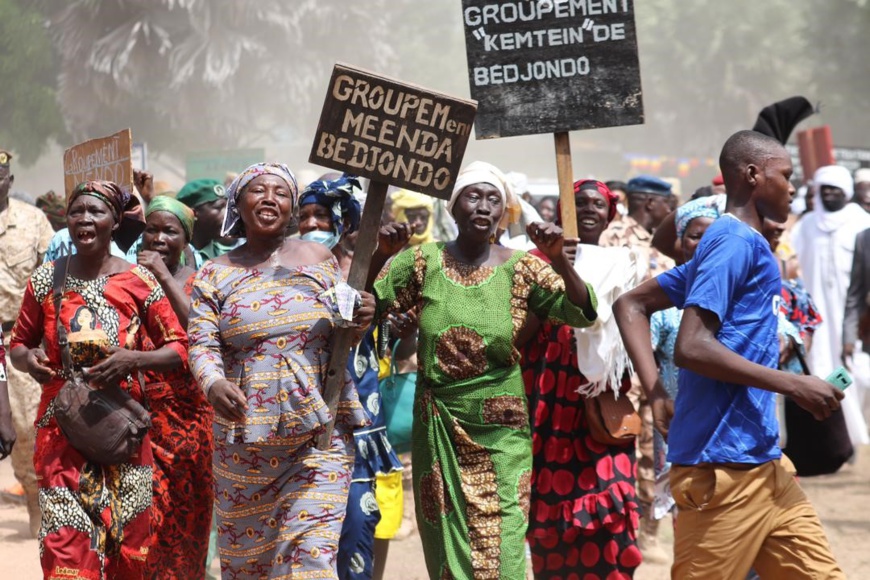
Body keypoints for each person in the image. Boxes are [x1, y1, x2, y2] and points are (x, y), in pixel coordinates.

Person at [614, 130, 844, 579]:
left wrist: (658, 394)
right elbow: (692, 346)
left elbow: (631, 305)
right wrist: (794, 384)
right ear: (753, 175)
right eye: (786, 175)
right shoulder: (733, 242)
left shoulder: (738, 244)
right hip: (721, 468)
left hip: (764, 464)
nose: (793, 187)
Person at [369, 161, 598, 579]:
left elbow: (580, 312)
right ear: (454, 208)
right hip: (439, 425)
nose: (483, 206)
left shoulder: (524, 268)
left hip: (501, 429)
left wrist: (559, 262)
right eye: (473, 196)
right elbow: (367, 304)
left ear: (502, 212)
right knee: (447, 540)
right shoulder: (422, 262)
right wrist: (382, 255)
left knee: (504, 542)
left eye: (494, 199)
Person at [187, 162, 373, 579]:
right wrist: (213, 383)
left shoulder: (319, 259)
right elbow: (201, 343)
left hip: (318, 438)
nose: (270, 198)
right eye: (258, 190)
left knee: (310, 562)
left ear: (292, 207)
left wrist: (362, 318)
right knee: (250, 568)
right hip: (245, 444)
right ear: (238, 204)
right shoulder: (215, 273)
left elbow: (343, 333)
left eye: (281, 192)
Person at [10, 180, 189, 578]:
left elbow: (179, 347)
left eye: (96, 211)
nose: (85, 219)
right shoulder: (46, 279)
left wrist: (133, 359)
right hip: (60, 429)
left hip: (123, 430)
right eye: (77, 212)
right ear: (67, 221)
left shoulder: (139, 280)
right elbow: (18, 344)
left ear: (115, 222)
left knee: (129, 549)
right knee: (65, 546)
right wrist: (30, 359)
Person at [519, 179, 643, 579]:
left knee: (611, 506)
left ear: (609, 215)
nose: (589, 209)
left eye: (597, 204)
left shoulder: (625, 263)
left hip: (599, 402)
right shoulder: (532, 260)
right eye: (579, 202)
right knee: (549, 515)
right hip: (546, 401)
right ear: (562, 211)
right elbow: (517, 333)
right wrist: (554, 264)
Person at [297, 174, 403, 580]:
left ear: (344, 220)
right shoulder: (283, 269)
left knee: (357, 526)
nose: (311, 224)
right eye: (304, 216)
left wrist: (377, 259)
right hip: (303, 422)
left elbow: (378, 312)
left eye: (322, 216)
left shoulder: (373, 268)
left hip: (358, 425)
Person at [136, 196, 214, 579]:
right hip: (139, 421)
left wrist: (164, 278)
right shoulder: (129, 281)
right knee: (144, 525)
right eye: (152, 230)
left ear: (186, 240)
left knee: (188, 524)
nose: (159, 239)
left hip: (191, 425)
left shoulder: (201, 281)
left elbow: (198, 331)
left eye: (170, 231)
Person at [599, 174, 675, 561]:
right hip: (622, 365)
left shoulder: (661, 242)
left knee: (654, 446)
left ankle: (649, 531)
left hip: (656, 364)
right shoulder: (615, 237)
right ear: (649, 203)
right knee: (623, 442)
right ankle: (621, 529)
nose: (670, 210)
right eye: (666, 203)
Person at [791, 165, 870, 450]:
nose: (829, 195)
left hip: (852, 314)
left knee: (856, 370)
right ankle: (835, 436)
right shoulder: (806, 225)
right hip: (815, 314)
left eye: (835, 190)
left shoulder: (861, 223)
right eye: (824, 190)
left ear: (846, 192)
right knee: (821, 367)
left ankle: (858, 429)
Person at [647, 202, 718, 521]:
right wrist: (657, 396)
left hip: (726, 417)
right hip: (678, 419)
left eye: (710, 236)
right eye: (694, 236)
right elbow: (644, 352)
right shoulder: (665, 301)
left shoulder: (736, 290)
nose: (701, 244)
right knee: (686, 506)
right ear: (681, 242)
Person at [0, 149, 54, 536]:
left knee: (24, 427)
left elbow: (52, 279)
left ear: (10, 181)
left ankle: (36, 502)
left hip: (16, 340)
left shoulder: (34, 221)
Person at [176, 178, 240, 261]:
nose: (228, 214)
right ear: (193, 213)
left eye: (228, 207)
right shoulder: (174, 258)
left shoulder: (227, 259)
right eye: (219, 207)